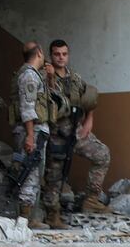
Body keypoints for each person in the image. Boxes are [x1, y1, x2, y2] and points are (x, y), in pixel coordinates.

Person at [45, 39, 111, 215]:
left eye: (64, 54)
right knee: (54, 176)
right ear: (50, 55)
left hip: (75, 130)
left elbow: (88, 99)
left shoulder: (75, 78)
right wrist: (50, 77)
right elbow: (48, 100)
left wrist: (89, 119)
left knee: (102, 154)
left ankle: (91, 200)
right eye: (57, 54)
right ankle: (51, 214)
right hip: (55, 133)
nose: (61, 58)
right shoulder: (43, 75)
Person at [9, 42, 55, 228]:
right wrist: (29, 136)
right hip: (32, 131)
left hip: (35, 131)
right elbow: (27, 108)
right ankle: (26, 220)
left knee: (33, 173)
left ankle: (29, 218)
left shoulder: (34, 75)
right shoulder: (29, 76)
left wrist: (50, 79)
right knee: (30, 173)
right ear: (40, 53)